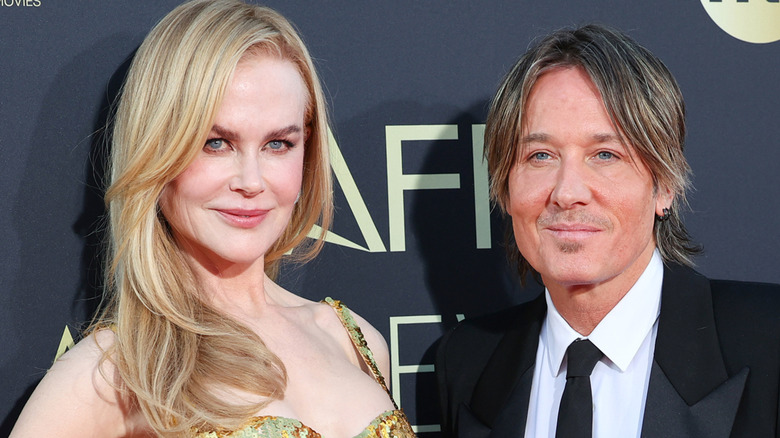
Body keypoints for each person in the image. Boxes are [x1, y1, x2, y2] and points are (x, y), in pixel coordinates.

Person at [10, 1, 415, 436]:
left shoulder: (356, 340)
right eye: (216, 143)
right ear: (157, 149)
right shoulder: (111, 376)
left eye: (278, 144)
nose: (251, 181)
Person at [436, 24, 780, 438]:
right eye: (540, 156)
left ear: (664, 185)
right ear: (505, 189)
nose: (567, 192)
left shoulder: (768, 340)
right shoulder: (466, 364)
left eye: (604, 154)